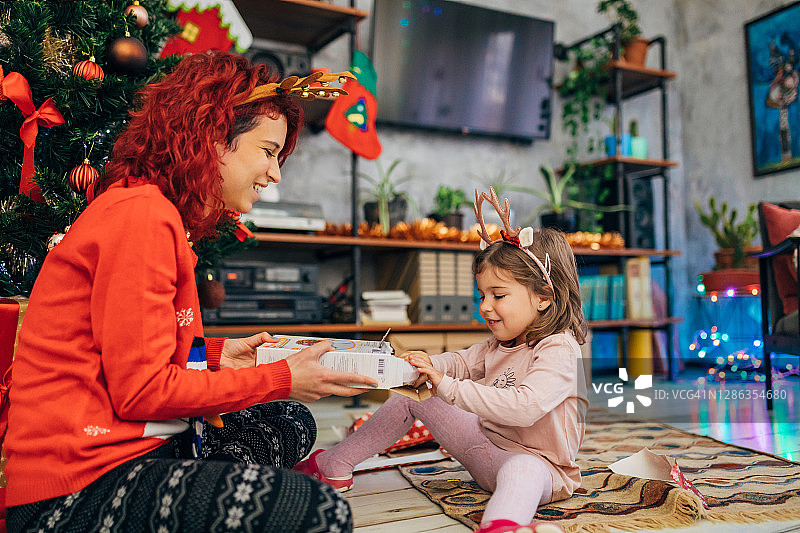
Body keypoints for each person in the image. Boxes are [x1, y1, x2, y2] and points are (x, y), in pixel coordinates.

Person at [4, 51, 377, 533]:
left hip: (144, 444)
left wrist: (219, 355)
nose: (275, 174)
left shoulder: (154, 214)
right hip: (74, 491)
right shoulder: (141, 218)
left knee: (290, 419)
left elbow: (134, 344)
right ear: (214, 137)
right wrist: (278, 377)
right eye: (267, 152)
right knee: (320, 511)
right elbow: (142, 390)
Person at [295, 189, 589, 533]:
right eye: (482, 295)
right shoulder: (500, 342)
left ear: (543, 298)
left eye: (499, 295)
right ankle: (335, 463)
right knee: (413, 396)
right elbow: (461, 362)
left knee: (521, 470)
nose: (485, 306)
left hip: (539, 468)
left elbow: (524, 407)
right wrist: (427, 367)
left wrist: (446, 385)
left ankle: (503, 525)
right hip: (484, 450)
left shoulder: (561, 350)